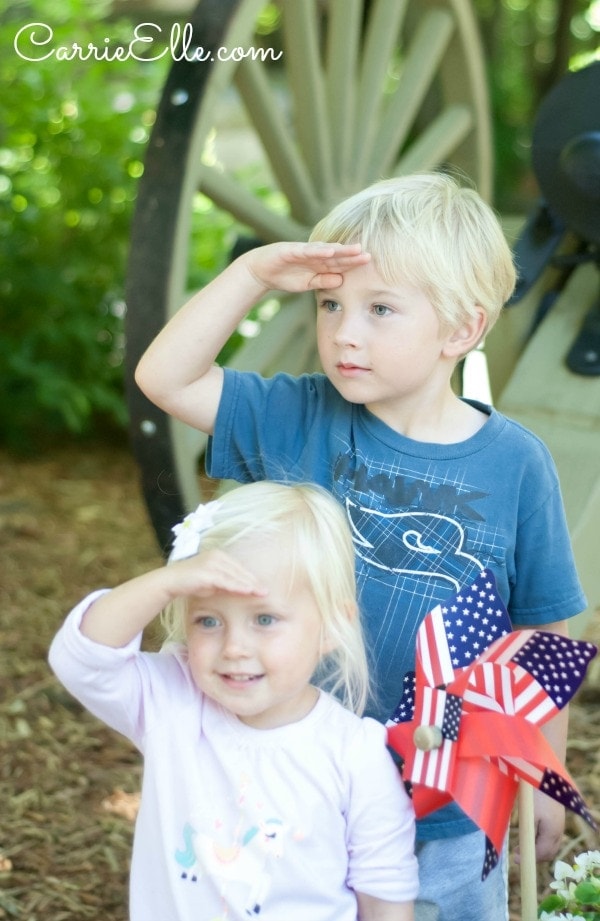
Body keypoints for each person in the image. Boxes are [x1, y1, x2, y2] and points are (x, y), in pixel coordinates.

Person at [134, 171, 587, 921]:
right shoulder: (297, 415)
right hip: (292, 784)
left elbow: (539, 633)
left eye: (380, 309)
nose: (345, 330)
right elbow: (164, 377)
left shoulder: (515, 463)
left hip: (443, 800)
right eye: (330, 304)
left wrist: (543, 769)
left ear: (460, 329)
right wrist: (251, 273)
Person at [49, 481, 418, 921]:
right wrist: (166, 582)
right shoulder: (172, 701)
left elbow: (385, 898)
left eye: (264, 619)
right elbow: (81, 659)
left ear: (332, 627)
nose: (234, 647)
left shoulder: (356, 754)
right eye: (208, 620)